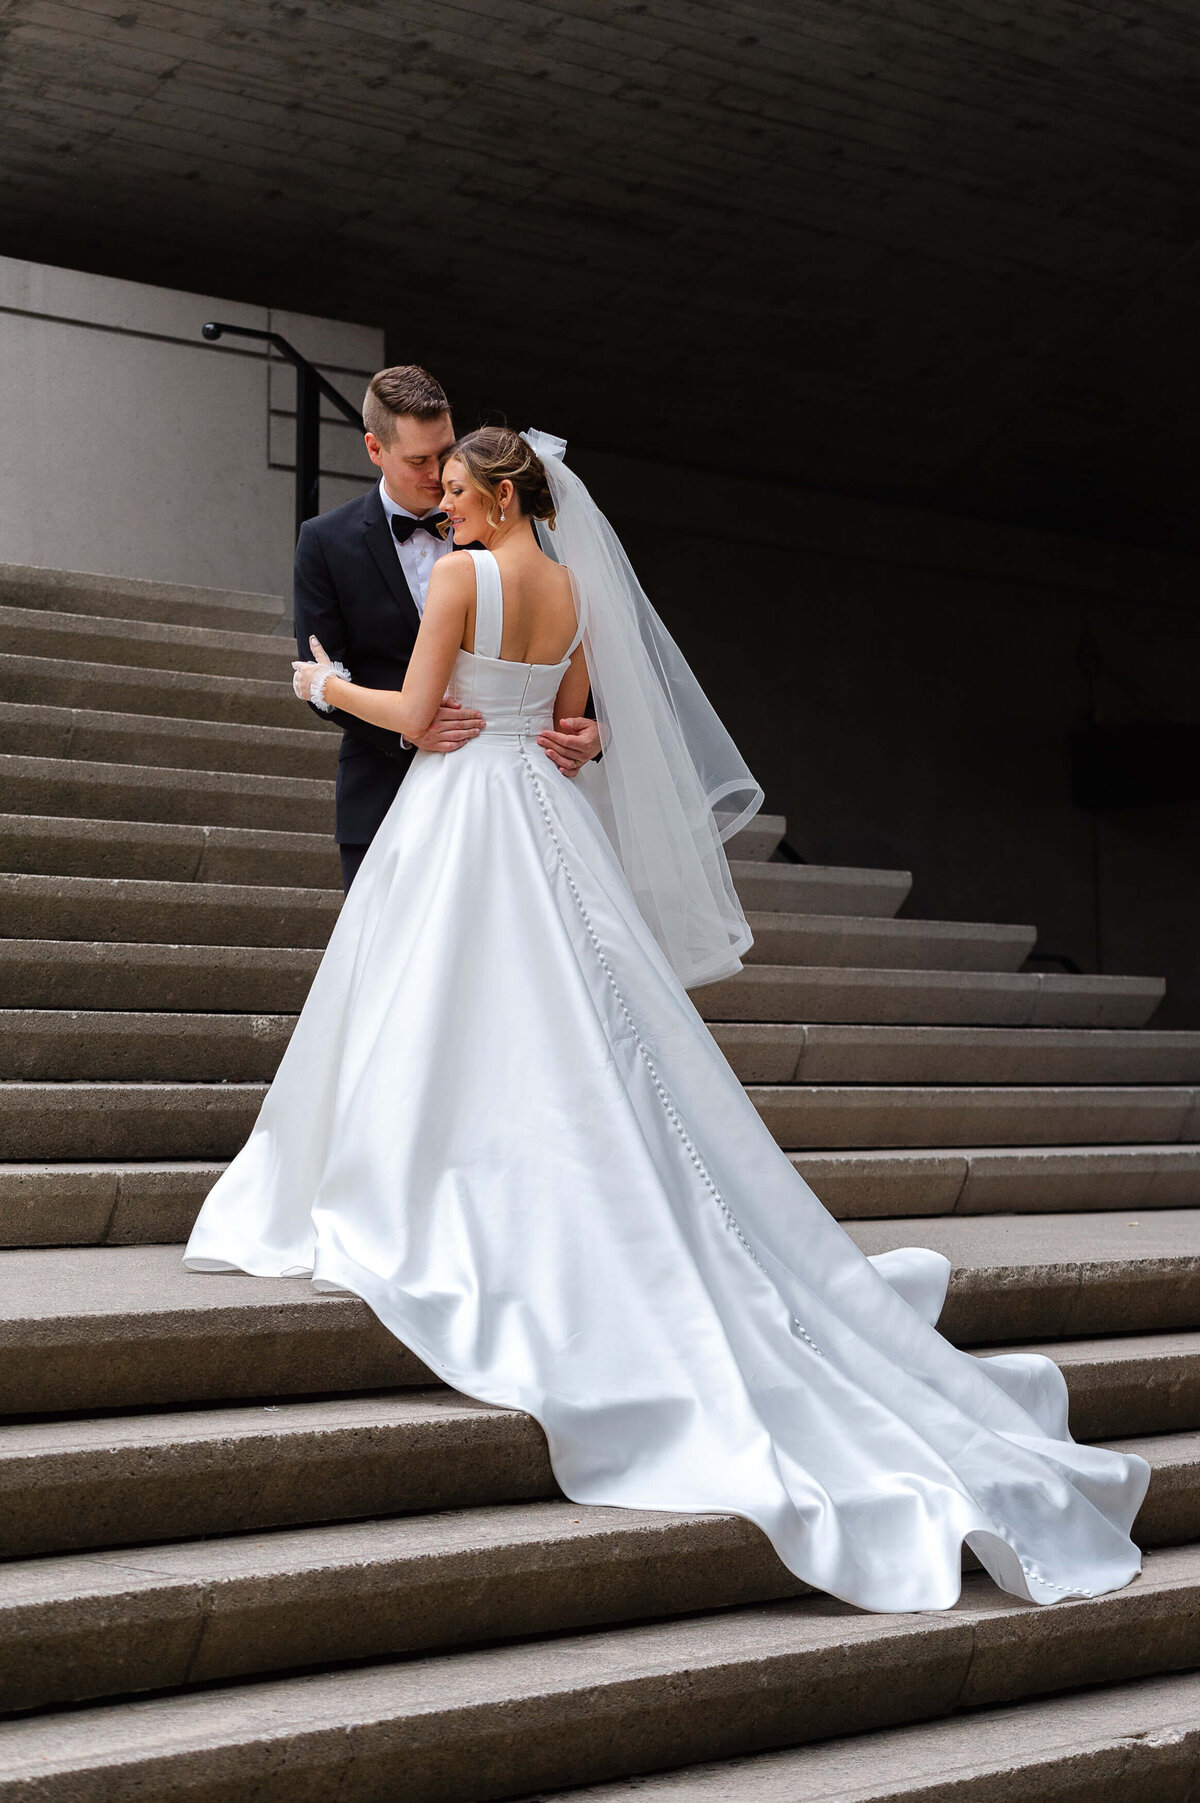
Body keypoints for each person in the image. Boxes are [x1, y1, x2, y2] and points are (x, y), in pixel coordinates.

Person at [186, 427, 1148, 1614]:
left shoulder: (463, 578)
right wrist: (553, 730)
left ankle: (451, 1172)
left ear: (493, 493)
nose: (441, 505)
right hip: (544, 810)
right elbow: (572, 725)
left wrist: (321, 683)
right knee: (582, 1014)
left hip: (464, 811)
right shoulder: (574, 584)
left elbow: (419, 714)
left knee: (455, 1006)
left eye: (455, 489)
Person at [294, 365, 601, 891]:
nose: (439, 477)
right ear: (375, 449)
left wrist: (594, 732)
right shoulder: (325, 541)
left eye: (445, 453)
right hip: (383, 793)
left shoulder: (496, 526)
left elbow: (568, 654)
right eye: (419, 461)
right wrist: (412, 730)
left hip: (516, 801)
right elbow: (325, 659)